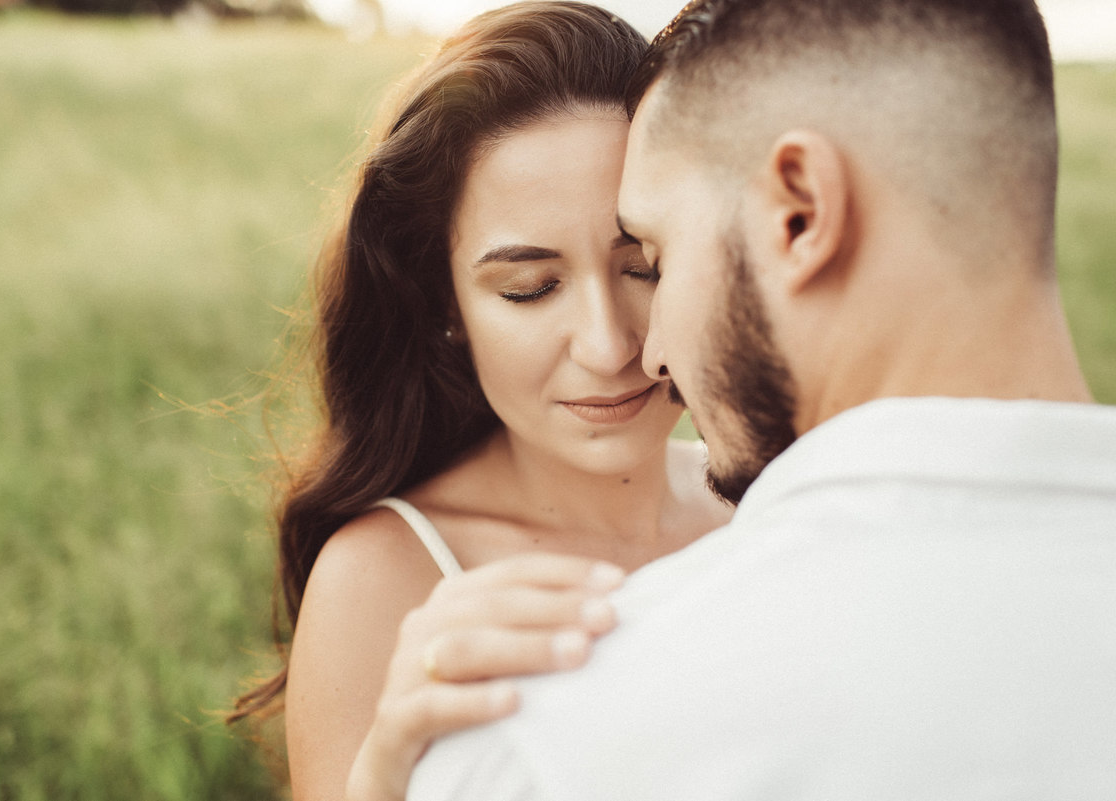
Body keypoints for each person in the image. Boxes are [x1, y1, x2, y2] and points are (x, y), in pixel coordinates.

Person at [409, 0, 1116, 798]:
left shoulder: (559, 728)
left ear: (800, 211)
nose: (649, 352)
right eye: (534, 286)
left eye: (655, 259)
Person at [229, 4, 731, 800]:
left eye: (644, 264)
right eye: (530, 289)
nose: (609, 345)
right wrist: (385, 770)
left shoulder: (774, 495)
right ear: (444, 307)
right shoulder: (384, 575)